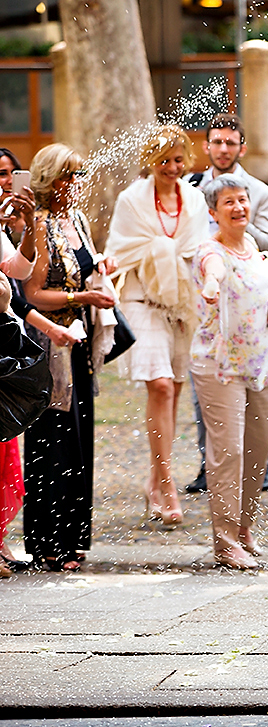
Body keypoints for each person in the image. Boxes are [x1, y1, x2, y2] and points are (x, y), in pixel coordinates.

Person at [21, 144, 118, 571]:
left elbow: (83, 268)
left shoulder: (76, 220)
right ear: (48, 181)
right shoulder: (39, 225)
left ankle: (73, 535)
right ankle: (47, 542)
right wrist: (81, 295)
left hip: (78, 342)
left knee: (79, 440)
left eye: (78, 175)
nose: (75, 184)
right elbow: (32, 293)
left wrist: (102, 267)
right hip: (50, 346)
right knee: (52, 441)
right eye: (67, 176)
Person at [106, 124, 208, 527]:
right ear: (151, 161)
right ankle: (166, 484)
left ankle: (154, 476)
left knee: (176, 388)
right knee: (160, 384)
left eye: (178, 159)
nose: (171, 166)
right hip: (141, 297)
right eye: (163, 160)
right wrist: (159, 251)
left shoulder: (196, 200)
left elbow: (198, 250)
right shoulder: (131, 200)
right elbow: (121, 249)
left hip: (182, 300)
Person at [192, 175, 268, 569]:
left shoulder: (252, 246)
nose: (238, 208)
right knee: (228, 452)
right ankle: (224, 540)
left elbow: (256, 285)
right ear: (214, 212)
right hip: (220, 365)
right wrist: (212, 286)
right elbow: (213, 270)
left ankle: (244, 528)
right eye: (229, 202)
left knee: (256, 450)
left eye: (243, 200)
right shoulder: (208, 251)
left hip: (261, 361)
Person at [183, 113, 268, 496]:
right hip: (203, 301)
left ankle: (262, 469)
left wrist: (236, 216)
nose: (223, 149)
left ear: (241, 146)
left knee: (257, 390)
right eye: (216, 142)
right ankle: (211, 467)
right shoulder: (190, 188)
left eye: (230, 142)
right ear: (206, 146)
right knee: (207, 389)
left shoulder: (259, 192)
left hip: (247, 305)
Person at [1, 146, 80, 575]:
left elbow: (17, 274)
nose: (3, 183)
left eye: (8, 175)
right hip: (20, 341)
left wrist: (26, 226)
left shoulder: (13, 224)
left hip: (10, 343)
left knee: (9, 455)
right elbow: (31, 292)